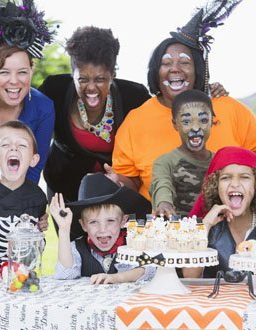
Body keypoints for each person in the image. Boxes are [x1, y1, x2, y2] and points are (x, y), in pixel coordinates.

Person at [38, 26, 227, 205]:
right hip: (64, 188)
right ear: (73, 74)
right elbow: (27, 117)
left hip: (116, 191)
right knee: (70, 240)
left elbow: (167, 108)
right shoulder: (55, 90)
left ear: (112, 75)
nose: (92, 87)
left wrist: (204, 90)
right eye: (83, 79)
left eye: (100, 79)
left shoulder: (133, 96)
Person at [111, 3, 256, 201]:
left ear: (198, 70)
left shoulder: (227, 107)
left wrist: (243, 190)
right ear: (156, 72)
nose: (175, 69)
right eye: (166, 63)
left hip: (228, 220)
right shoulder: (136, 121)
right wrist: (117, 183)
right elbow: (130, 179)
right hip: (167, 226)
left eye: (185, 63)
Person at [0, 0, 56, 183]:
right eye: (4, 72)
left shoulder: (43, 108)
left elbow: (33, 172)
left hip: (16, 195)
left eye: (22, 72)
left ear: (32, 70)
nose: (14, 81)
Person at [183, 147, 256, 278]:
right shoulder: (206, 227)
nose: (235, 184)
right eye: (226, 177)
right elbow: (190, 277)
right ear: (215, 185)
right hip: (215, 298)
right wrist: (205, 226)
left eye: (245, 177)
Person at [49, 173, 153, 284]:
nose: (102, 229)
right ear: (83, 225)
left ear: (123, 221)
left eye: (110, 221)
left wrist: (116, 278)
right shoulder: (77, 248)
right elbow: (65, 275)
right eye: (93, 222)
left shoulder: (133, 244)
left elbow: (148, 269)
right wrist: (64, 230)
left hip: (128, 300)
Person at [0, 120, 48, 276]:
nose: (14, 147)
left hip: (23, 275)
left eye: (22, 145)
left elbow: (38, 238)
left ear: (33, 160)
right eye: (5, 145)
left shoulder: (38, 197)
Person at [150, 89, 214, 217]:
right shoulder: (165, 162)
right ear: (175, 124)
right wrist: (164, 203)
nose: (196, 128)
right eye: (186, 122)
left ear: (212, 121)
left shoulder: (221, 160)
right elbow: (162, 183)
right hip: (179, 232)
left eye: (203, 120)